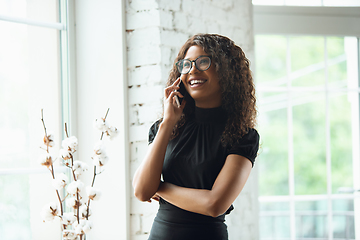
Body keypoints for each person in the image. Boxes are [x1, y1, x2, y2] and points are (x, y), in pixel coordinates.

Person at [132, 33, 260, 240]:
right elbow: (141, 191)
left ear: (226, 70)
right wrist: (167, 123)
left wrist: (160, 187)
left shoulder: (243, 136)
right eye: (187, 64)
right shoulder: (164, 128)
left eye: (203, 62)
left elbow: (215, 204)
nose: (193, 70)